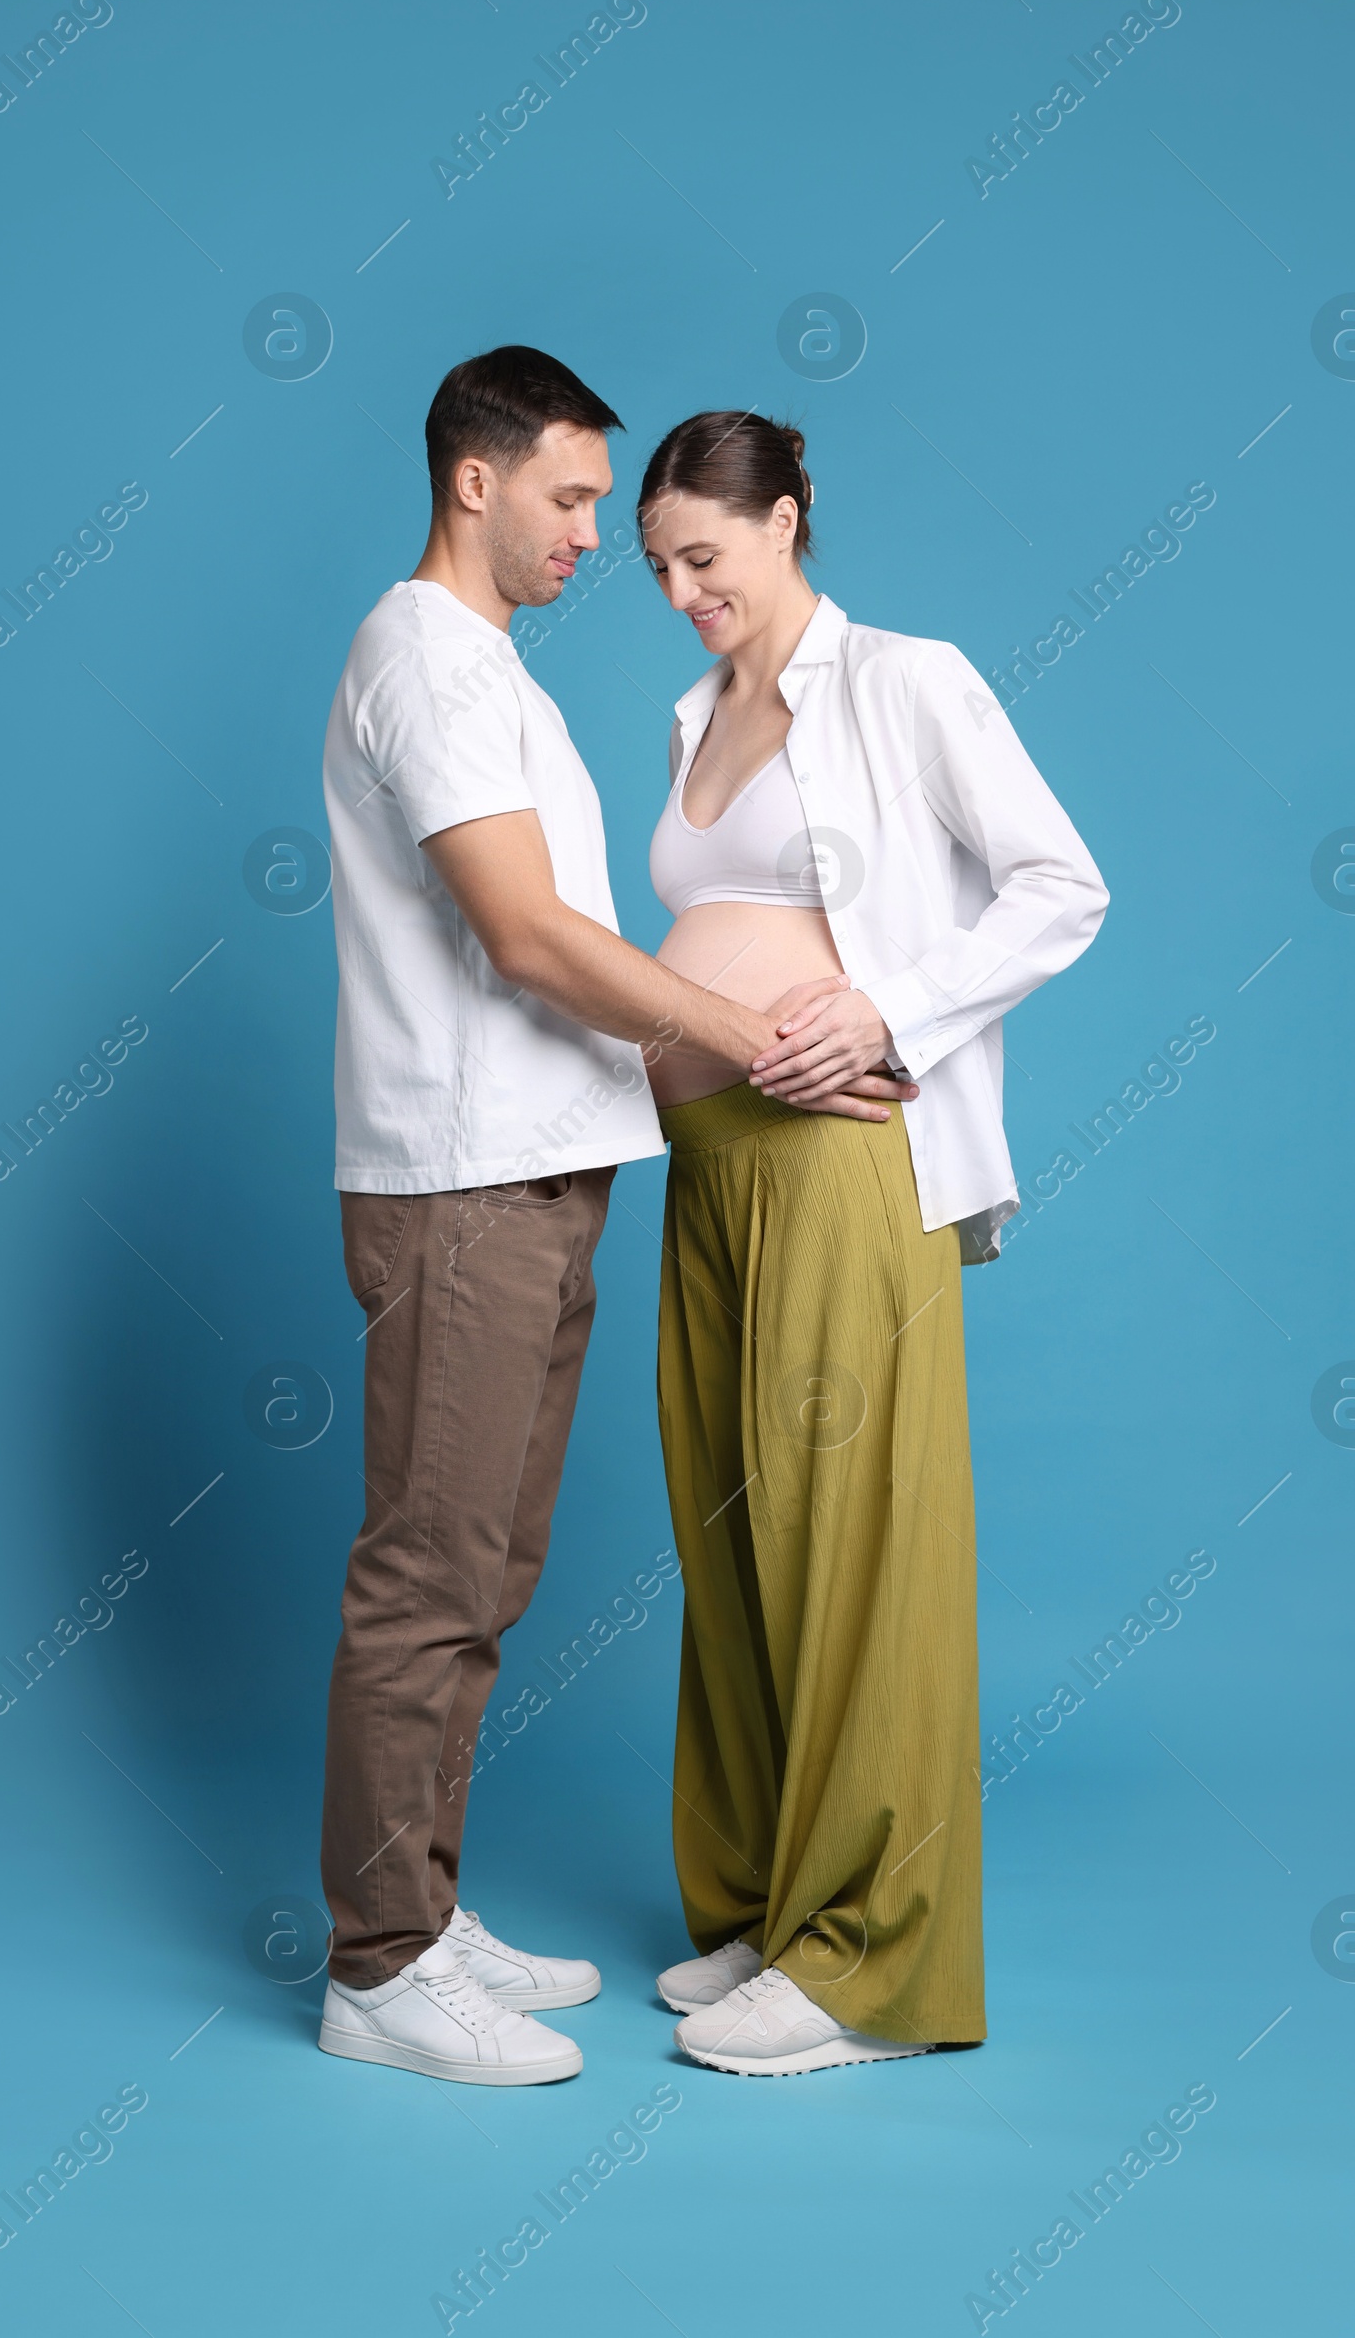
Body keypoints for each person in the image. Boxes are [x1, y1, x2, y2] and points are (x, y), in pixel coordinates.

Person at [316, 352, 912, 2088]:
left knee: (490, 1562)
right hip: (460, 1180)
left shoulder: (483, 666)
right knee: (431, 1569)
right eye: (574, 501)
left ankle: (425, 1911)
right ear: (475, 483)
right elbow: (528, 936)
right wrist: (762, 1044)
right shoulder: (424, 659)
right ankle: (375, 1965)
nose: (604, 540)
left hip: (539, 1167)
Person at [637, 411, 1108, 2077]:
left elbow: (1063, 885)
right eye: (659, 568)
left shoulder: (911, 679)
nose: (685, 593)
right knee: (735, 1535)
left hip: (843, 1163)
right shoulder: (694, 714)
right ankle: (773, 1899)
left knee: (851, 1543)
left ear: (790, 520)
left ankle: (870, 1967)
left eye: (707, 555)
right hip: (707, 1168)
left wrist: (889, 1009)